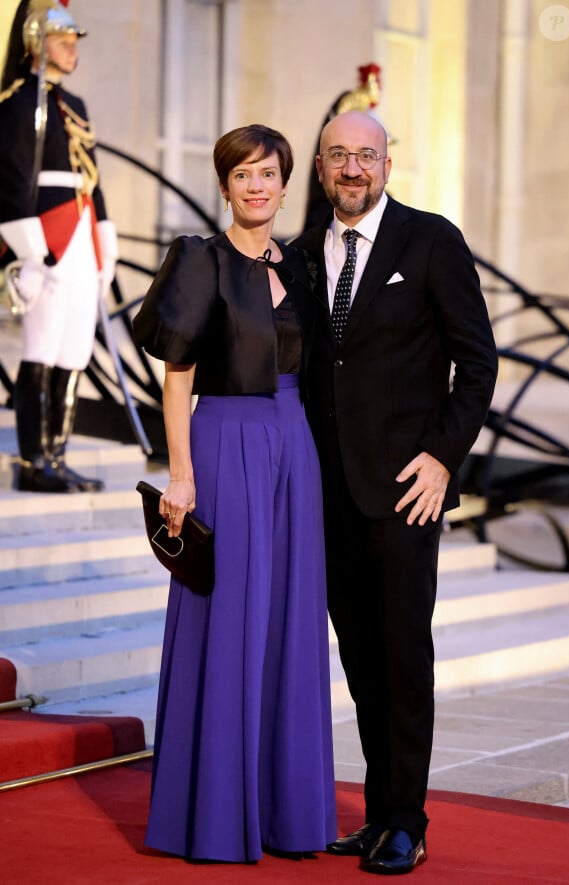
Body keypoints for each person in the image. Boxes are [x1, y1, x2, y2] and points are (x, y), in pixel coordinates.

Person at [294, 110, 498, 875]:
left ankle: (407, 819)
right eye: (339, 156)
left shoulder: (432, 240)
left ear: (388, 164)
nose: (353, 169)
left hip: (406, 489)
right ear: (320, 167)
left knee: (403, 655)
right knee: (359, 658)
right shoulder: (303, 253)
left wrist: (444, 458)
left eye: (366, 157)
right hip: (327, 492)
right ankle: (379, 813)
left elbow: (477, 365)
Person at [132, 124, 337, 864]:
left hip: (295, 444)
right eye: (242, 174)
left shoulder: (305, 262)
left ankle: (288, 813)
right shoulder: (200, 260)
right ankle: (215, 813)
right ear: (225, 184)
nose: (256, 185)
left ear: (287, 183)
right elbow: (176, 375)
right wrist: (180, 474)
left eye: (269, 173)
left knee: (287, 622)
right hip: (225, 441)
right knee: (230, 621)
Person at [0, 0, 118, 493]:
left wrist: (106, 240)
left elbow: (93, 177)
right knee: (43, 346)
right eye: (63, 41)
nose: (72, 50)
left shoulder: (76, 106)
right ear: (35, 42)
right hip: (46, 234)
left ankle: (57, 455)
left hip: (82, 231)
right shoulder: (19, 101)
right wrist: (26, 251)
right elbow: (11, 179)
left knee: (73, 348)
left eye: (74, 42)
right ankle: (33, 462)